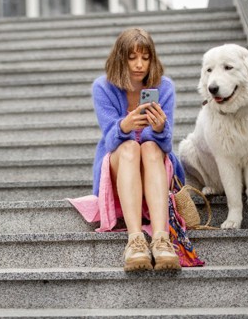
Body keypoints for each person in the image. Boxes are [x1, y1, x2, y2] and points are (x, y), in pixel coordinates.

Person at [72, 27, 188, 272]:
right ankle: (135, 240)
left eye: (145, 58)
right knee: (129, 148)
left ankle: (161, 238)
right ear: (120, 58)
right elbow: (110, 140)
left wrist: (158, 129)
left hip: (154, 165)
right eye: (132, 57)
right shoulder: (103, 87)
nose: (139, 65)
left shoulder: (164, 87)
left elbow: (166, 145)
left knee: (149, 147)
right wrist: (124, 125)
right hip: (120, 165)